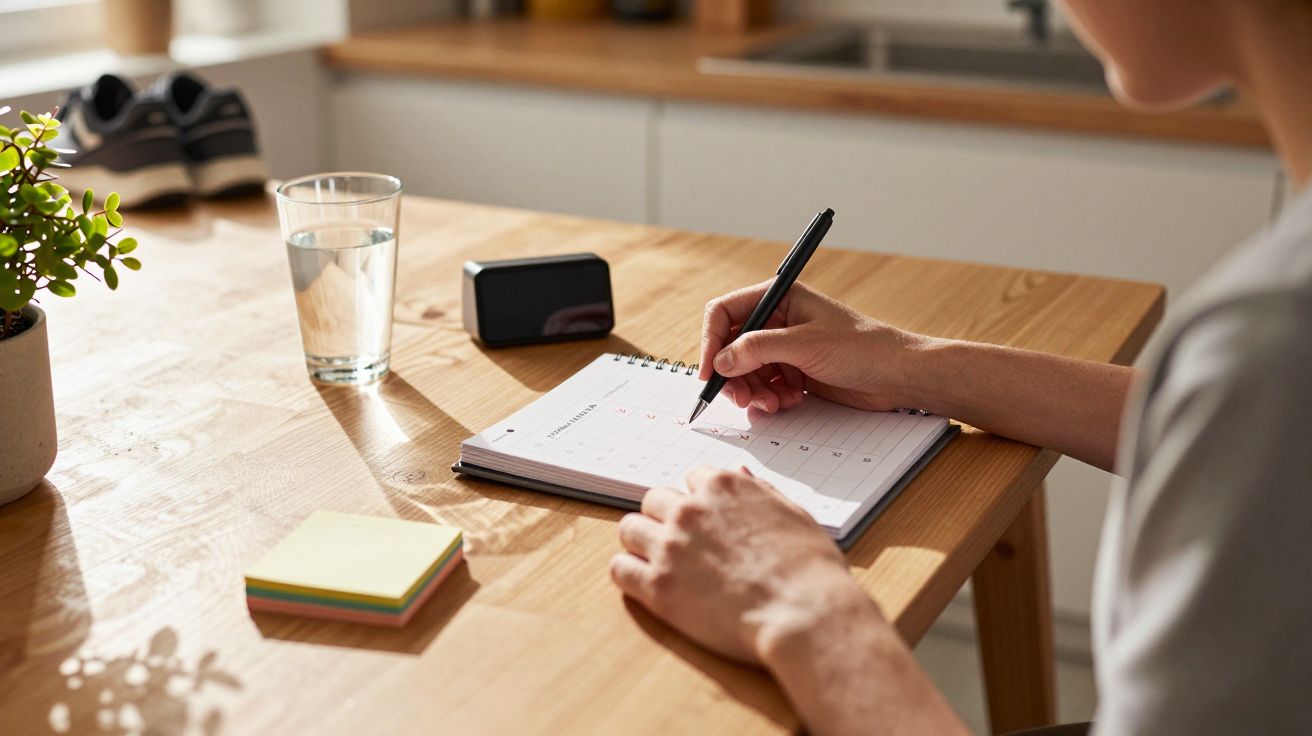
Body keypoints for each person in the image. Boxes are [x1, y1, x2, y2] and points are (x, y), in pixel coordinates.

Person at [608, 0, 1312, 733]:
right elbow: (1259, 437)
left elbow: (1256, 403)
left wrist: (806, 607)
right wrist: (908, 364)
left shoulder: (1274, 337)